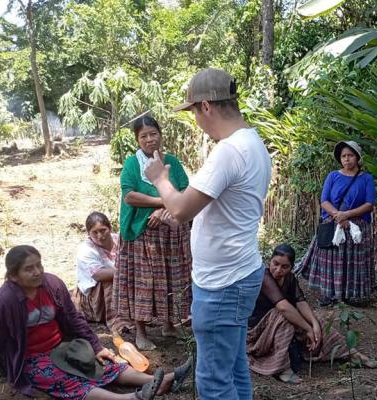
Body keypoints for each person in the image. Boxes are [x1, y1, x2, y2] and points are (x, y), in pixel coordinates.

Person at [143, 68, 272, 400]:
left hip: (222, 283)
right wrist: (183, 216)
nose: (196, 121)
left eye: (193, 113)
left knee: (214, 382)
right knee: (234, 367)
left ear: (206, 107)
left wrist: (160, 178)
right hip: (241, 272)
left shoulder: (228, 151)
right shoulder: (253, 142)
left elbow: (183, 207)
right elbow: (219, 206)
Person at [0, 245, 193, 399]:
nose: (38, 272)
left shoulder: (52, 285)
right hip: (31, 357)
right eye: (29, 269)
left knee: (104, 363)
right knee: (64, 379)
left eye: (39, 265)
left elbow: (74, 319)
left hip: (62, 345)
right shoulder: (5, 301)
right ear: (13, 276)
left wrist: (96, 347)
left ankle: (162, 380)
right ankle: (132, 398)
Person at [112, 116, 192, 350]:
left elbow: (185, 190)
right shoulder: (132, 164)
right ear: (137, 140)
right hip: (141, 236)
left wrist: (166, 208)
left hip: (170, 234)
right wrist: (164, 201)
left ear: (160, 134)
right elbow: (130, 196)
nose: (149, 139)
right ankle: (140, 332)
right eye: (143, 136)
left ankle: (168, 325)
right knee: (143, 283)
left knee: (171, 279)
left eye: (153, 133)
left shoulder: (173, 163)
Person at [247, 244, 377, 384]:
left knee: (316, 319)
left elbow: (301, 302)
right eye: (275, 264)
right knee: (282, 317)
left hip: (276, 322)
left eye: (284, 267)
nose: (278, 270)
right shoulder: (264, 277)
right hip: (257, 331)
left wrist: (314, 324)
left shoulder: (290, 279)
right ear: (270, 260)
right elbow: (283, 307)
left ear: (291, 267)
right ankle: (283, 369)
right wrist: (307, 328)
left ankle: (351, 353)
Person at [296, 140, 376, 306]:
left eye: (350, 155)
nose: (347, 159)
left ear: (358, 157)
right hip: (334, 224)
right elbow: (324, 200)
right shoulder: (333, 176)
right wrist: (338, 215)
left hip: (357, 228)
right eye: (343, 156)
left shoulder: (366, 178)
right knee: (331, 260)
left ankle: (351, 295)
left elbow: (369, 204)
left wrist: (347, 215)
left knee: (353, 262)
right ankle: (329, 294)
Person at [74, 212, 121, 326]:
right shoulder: (85, 249)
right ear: (89, 234)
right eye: (94, 232)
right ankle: (118, 322)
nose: (100, 236)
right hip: (94, 295)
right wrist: (127, 272)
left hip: (122, 282)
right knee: (109, 280)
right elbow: (98, 274)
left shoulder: (121, 240)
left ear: (110, 228)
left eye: (103, 230)